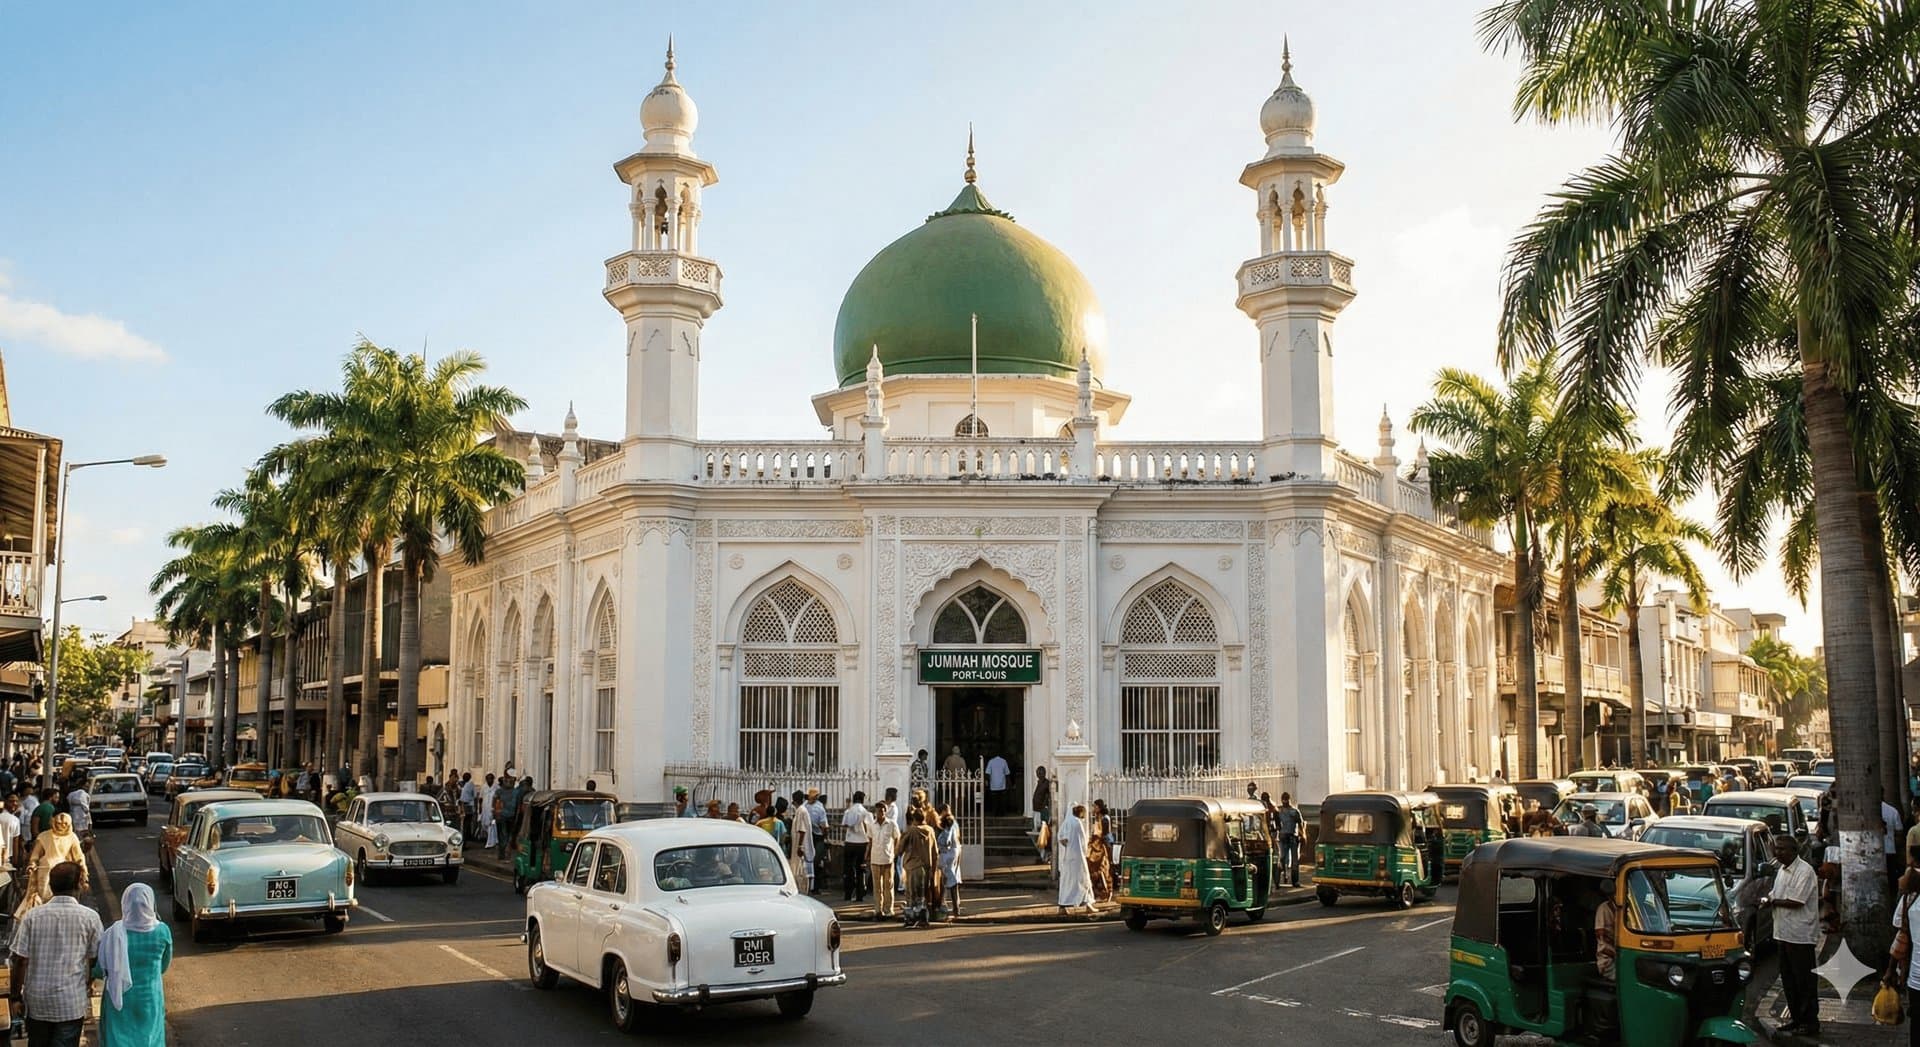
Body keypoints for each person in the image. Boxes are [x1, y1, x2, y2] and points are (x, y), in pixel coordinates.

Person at [10, 861, 100, 1047]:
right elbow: (94, 959)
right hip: (71, 1002)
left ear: (51, 885)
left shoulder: (32, 917)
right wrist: (88, 982)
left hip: (37, 1003)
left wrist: (15, 997)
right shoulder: (90, 918)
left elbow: (20, 960)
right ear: (78, 884)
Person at [95, 882, 171, 1047]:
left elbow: (99, 969)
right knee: (150, 1039)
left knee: (119, 1039)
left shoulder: (113, 933)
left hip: (119, 999)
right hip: (150, 998)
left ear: (125, 903)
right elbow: (164, 966)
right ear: (150, 903)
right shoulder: (162, 931)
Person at [1762, 834, 1820, 1036]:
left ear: (1794, 851)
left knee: (1804, 980)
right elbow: (1775, 893)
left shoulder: (1805, 871)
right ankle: (1796, 1019)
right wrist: (1768, 899)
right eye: (1776, 849)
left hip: (1800, 935)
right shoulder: (1782, 870)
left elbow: (1796, 901)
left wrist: (1773, 902)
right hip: (1782, 933)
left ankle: (1809, 1021)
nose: (1777, 853)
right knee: (1789, 979)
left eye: (1782, 849)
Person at [16, 814, 86, 920]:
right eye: (58, 823)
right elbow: (35, 856)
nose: (61, 826)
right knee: (45, 898)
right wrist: (32, 865)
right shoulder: (44, 836)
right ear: (53, 822)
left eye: (65, 824)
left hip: (65, 872)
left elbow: (79, 857)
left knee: (66, 898)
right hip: (45, 873)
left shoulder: (72, 837)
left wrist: (83, 871)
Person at [900, 809, 937, 926]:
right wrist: (933, 869)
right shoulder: (930, 831)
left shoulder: (911, 831)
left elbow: (900, 848)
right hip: (926, 867)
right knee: (922, 895)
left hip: (912, 866)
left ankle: (910, 919)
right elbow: (935, 851)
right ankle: (923, 919)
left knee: (911, 895)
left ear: (914, 819)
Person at [1057, 803, 1094, 915]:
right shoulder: (1077, 823)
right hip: (1079, 857)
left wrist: (1068, 845)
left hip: (1069, 856)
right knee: (1084, 879)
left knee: (1067, 880)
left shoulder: (1067, 822)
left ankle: (1063, 905)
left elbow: (1061, 838)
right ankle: (1088, 904)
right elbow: (1083, 840)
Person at [841, 792, 873, 903]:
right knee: (860, 869)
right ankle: (860, 895)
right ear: (862, 800)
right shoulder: (866, 813)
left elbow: (844, 824)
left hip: (850, 842)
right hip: (862, 843)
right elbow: (870, 828)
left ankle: (848, 894)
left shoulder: (848, 811)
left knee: (848, 869)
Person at [869, 800, 898, 920]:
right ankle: (878, 910)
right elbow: (870, 840)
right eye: (878, 810)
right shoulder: (872, 825)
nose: (880, 812)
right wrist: (867, 854)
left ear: (886, 811)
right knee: (877, 887)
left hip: (888, 858)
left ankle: (888, 910)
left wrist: (895, 852)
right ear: (875, 812)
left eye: (882, 810)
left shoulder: (891, 824)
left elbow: (897, 838)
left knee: (888, 885)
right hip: (875, 858)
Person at [936, 805, 963, 918]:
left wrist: (939, 847)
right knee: (953, 881)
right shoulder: (954, 823)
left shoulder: (947, 827)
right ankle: (953, 906)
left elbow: (945, 841)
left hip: (948, 855)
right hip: (955, 851)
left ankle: (943, 906)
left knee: (947, 881)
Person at [1274, 792, 1304, 887]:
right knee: (1283, 859)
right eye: (1284, 799)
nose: (1285, 801)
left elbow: (1300, 823)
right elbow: (1277, 824)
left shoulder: (1293, 811)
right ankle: (1281, 879)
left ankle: (1294, 880)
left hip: (1291, 837)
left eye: (1286, 799)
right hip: (1285, 837)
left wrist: (1302, 834)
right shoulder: (1280, 811)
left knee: (1292, 860)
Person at [787, 791, 813, 895]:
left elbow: (802, 830)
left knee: (800, 870)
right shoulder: (800, 810)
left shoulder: (801, 811)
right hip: (798, 844)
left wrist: (800, 846)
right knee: (798, 869)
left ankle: (802, 891)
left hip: (800, 845)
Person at [1086, 800, 1112, 902]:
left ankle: (1107, 891)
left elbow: (1103, 834)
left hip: (1103, 846)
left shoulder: (1104, 819)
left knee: (1103, 869)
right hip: (1097, 846)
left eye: (1095, 807)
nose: (1093, 809)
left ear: (1099, 807)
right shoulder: (1098, 818)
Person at [1885, 791, 1907, 890]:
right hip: (1890, 850)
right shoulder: (1892, 811)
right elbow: (1899, 832)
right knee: (1891, 881)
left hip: (1869, 853)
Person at [1031, 766, 1052, 837]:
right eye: (1037, 773)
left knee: (1041, 829)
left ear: (1044, 773)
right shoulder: (1039, 782)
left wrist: (1044, 806)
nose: (1038, 774)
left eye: (1040, 773)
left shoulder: (1046, 783)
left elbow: (1047, 796)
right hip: (1036, 809)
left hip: (1041, 810)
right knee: (1036, 828)